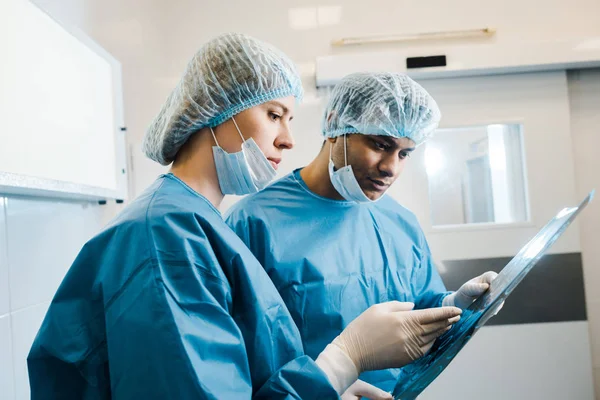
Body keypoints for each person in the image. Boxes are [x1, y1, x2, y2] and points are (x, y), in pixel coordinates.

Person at [27, 35, 462, 399]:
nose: (289, 140)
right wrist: (345, 358)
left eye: (289, 118)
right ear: (218, 108)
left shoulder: (197, 222)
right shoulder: (166, 235)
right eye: (274, 115)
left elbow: (245, 367)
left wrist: (327, 384)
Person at [226, 72, 499, 392]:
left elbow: (417, 311)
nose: (391, 167)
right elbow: (237, 354)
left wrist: (456, 304)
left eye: (404, 153)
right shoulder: (252, 223)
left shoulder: (400, 222)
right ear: (335, 125)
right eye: (381, 145)